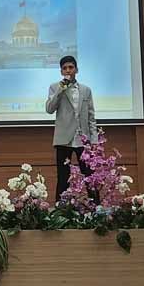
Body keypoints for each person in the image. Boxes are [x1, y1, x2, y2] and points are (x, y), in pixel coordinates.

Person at [45, 55, 97, 201]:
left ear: (76, 69)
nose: (68, 70)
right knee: (63, 177)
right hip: (63, 138)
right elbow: (49, 109)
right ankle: (61, 208)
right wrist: (60, 90)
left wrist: (94, 140)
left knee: (90, 175)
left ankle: (96, 208)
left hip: (83, 139)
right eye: (65, 68)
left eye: (71, 67)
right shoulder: (55, 87)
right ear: (61, 71)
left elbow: (91, 116)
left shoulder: (86, 90)